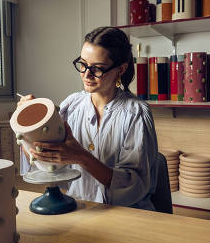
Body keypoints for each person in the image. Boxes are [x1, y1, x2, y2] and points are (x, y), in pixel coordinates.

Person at [19, 26, 158, 210]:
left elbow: (134, 186)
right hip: (80, 208)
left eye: (97, 69)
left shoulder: (136, 113)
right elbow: (47, 161)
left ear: (121, 69)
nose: (86, 74)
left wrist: (81, 157)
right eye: (83, 64)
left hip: (128, 214)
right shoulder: (71, 105)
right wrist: (30, 123)